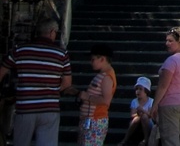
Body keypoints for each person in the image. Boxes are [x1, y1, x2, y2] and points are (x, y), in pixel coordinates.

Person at [0, 17, 72, 146]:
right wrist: (52, 90)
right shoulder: (61, 53)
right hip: (49, 108)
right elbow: (67, 83)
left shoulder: (19, 50)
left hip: (25, 108)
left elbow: (2, 71)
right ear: (51, 32)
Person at [151, 27, 180, 146]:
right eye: (166, 40)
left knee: (170, 140)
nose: (167, 44)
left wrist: (154, 105)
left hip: (170, 104)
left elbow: (163, 86)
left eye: (170, 41)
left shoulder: (172, 60)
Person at [75, 43, 117, 146]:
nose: (91, 62)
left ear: (102, 59)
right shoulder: (102, 75)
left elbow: (106, 100)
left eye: (93, 59)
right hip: (89, 119)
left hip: (95, 120)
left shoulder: (107, 77)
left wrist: (87, 97)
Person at [120, 76, 154, 146]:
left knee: (144, 116)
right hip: (137, 121)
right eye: (137, 89)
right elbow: (132, 115)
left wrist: (143, 110)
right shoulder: (134, 101)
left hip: (148, 122)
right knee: (136, 118)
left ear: (146, 91)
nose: (138, 91)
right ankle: (125, 139)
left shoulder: (151, 101)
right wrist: (138, 114)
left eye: (140, 89)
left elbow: (151, 115)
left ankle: (146, 139)